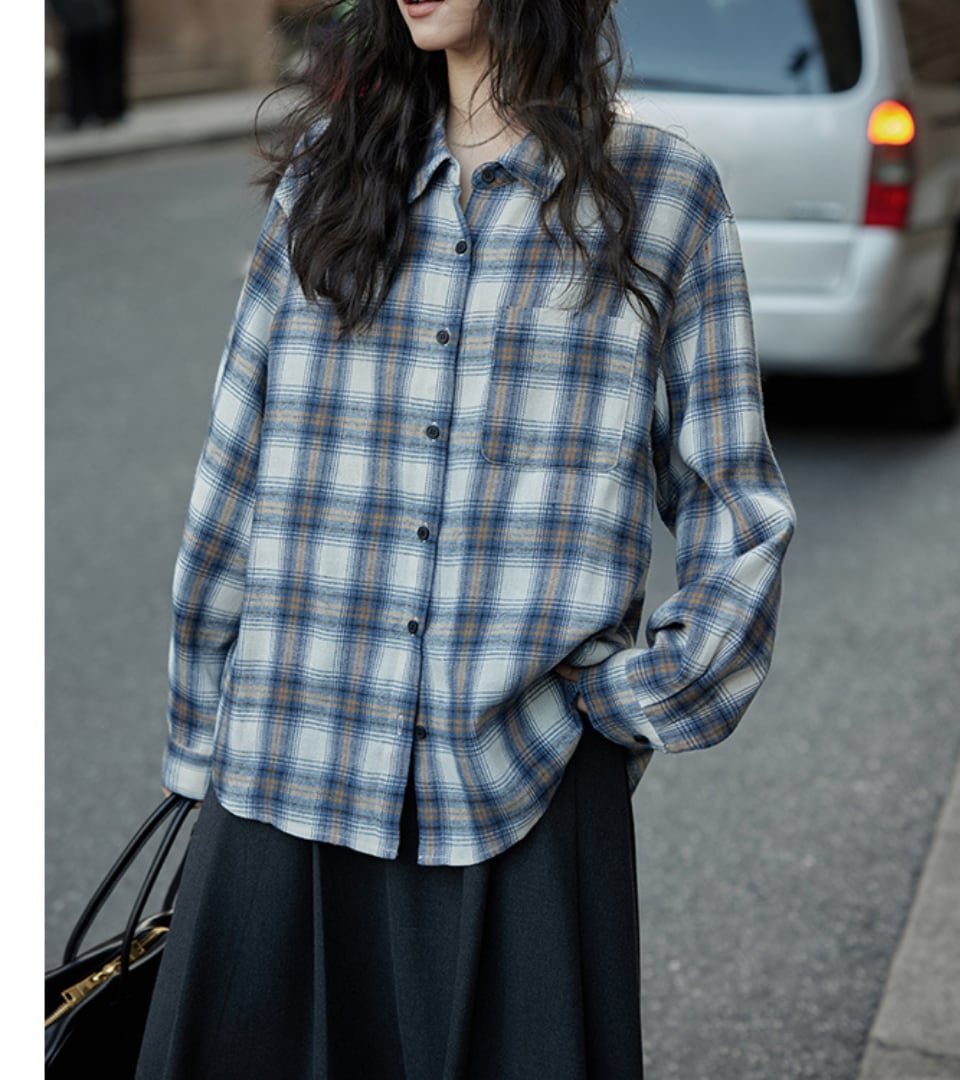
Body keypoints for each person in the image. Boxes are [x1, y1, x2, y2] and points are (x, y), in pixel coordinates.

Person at [135, 0, 796, 1076]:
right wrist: (199, 745)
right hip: (284, 782)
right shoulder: (327, 181)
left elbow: (739, 505)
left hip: (520, 798)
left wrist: (638, 700)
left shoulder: (662, 196)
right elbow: (234, 474)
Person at [48, 0, 127, 128]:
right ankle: (91, 112)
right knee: (83, 69)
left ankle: (98, 112)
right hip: (83, 22)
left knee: (93, 68)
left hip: (89, 22)